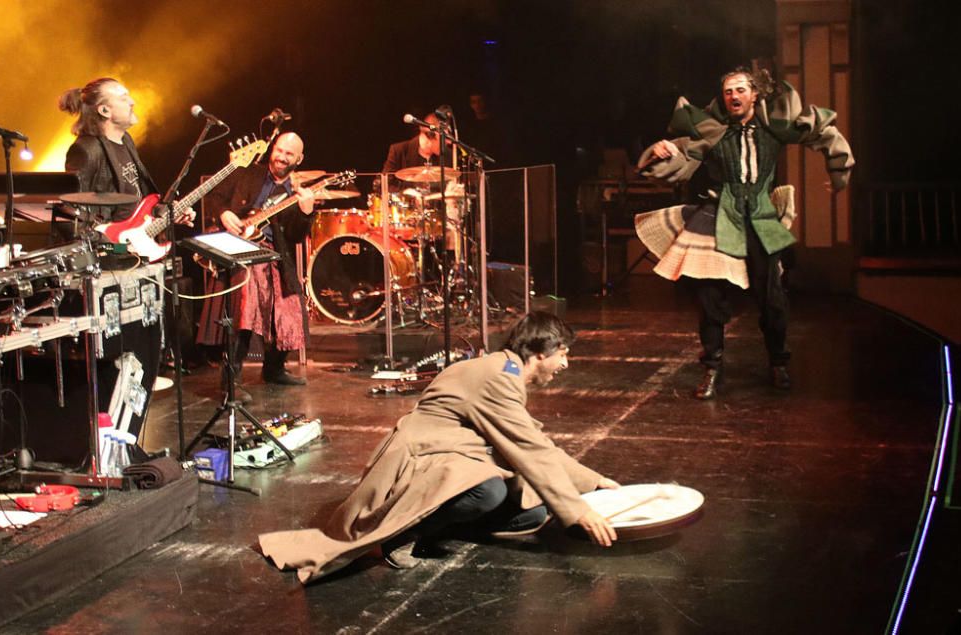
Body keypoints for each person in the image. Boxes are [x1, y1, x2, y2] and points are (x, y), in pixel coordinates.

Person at [258, 311, 620, 583]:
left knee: (532, 513)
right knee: (489, 491)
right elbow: (531, 450)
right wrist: (578, 511)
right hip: (421, 462)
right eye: (564, 354)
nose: (565, 364)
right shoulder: (498, 377)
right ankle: (402, 534)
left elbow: (536, 441)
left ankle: (436, 526)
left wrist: (595, 482)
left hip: (452, 459)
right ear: (542, 352)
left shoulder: (502, 373)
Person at [634, 67, 853, 399]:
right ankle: (712, 367)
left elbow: (822, 133)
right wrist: (662, 151)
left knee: (772, 298)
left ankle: (778, 363)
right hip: (719, 215)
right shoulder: (712, 131)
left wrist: (839, 173)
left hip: (761, 217)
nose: (733, 96)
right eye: (728, 92)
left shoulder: (774, 128)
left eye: (740, 90)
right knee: (710, 297)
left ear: (754, 95)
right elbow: (680, 155)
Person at [202, 132, 315, 399]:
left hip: (275, 255)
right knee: (246, 305)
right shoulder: (246, 173)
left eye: (289, 154)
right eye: (279, 150)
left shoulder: (295, 192)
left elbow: (296, 236)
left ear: (299, 159)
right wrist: (224, 213)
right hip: (240, 254)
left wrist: (306, 211)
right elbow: (212, 197)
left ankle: (274, 369)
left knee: (289, 307)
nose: (281, 157)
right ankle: (231, 380)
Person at [58, 77, 195, 230]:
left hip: (133, 244)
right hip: (110, 249)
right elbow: (69, 210)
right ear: (104, 110)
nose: (132, 102)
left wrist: (166, 211)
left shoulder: (126, 140)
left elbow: (136, 197)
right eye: (123, 99)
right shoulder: (87, 149)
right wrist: (108, 239)